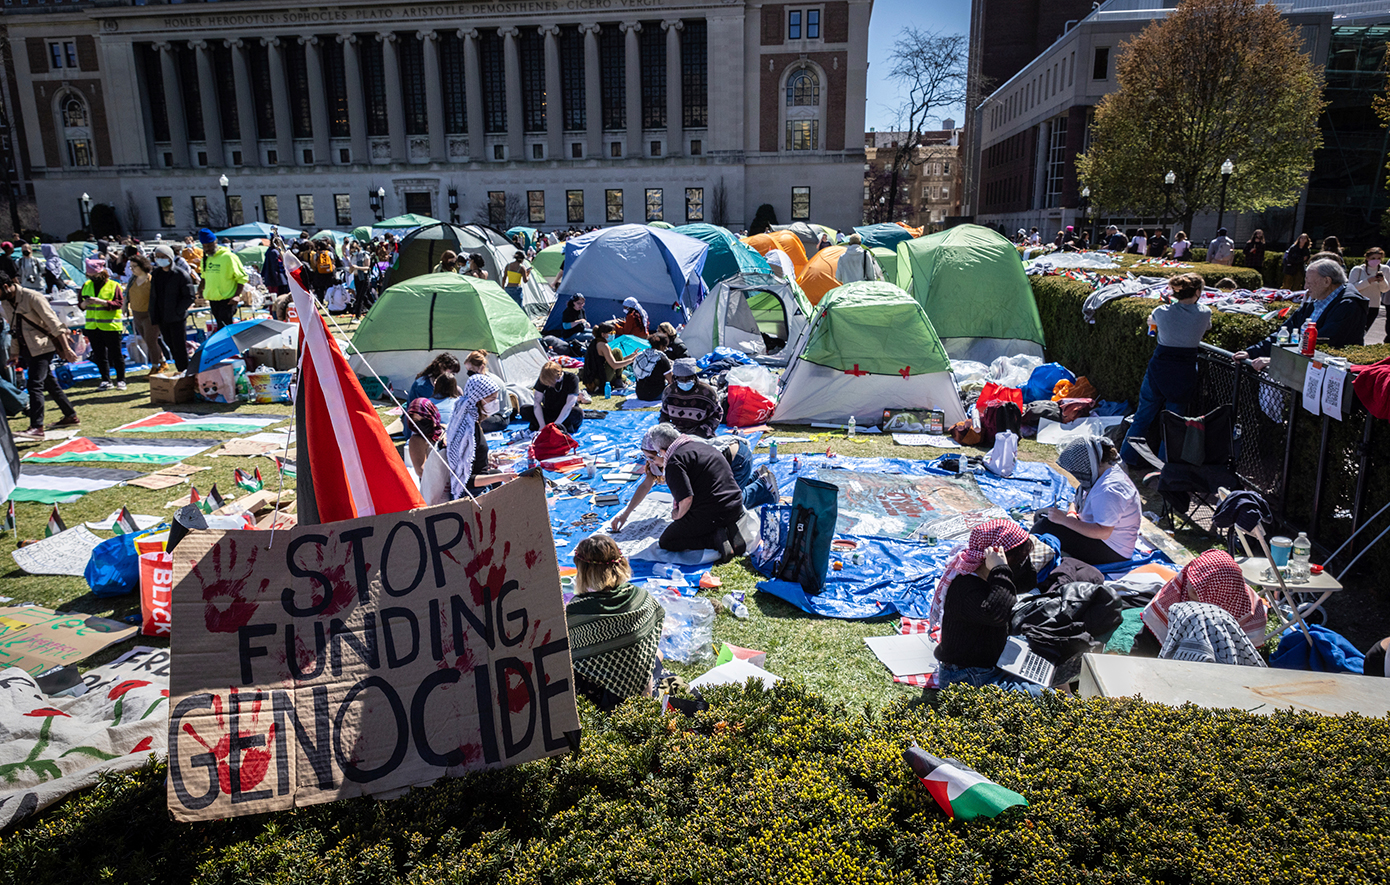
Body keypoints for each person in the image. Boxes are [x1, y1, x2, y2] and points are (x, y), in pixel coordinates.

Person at [931, 519, 1042, 696]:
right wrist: (1000, 569)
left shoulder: (988, 576)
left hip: (988, 666)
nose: (1021, 565)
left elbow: (1027, 583)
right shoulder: (965, 588)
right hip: (965, 677)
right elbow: (998, 614)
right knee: (1047, 697)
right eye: (1018, 560)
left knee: (1052, 669)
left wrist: (1009, 564)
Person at [610, 423, 747, 556]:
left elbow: (686, 499)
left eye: (652, 458)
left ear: (662, 451)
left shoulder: (674, 462)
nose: (652, 462)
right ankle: (726, 528)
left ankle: (716, 539)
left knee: (668, 540)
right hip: (736, 506)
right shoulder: (699, 446)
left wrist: (678, 515)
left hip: (715, 512)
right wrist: (625, 514)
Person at [565, 534, 665, 710]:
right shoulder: (641, 597)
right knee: (657, 653)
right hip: (644, 685)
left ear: (584, 571)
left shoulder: (578, 610)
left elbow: (572, 655)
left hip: (610, 701)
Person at [1120, 273, 1211, 467]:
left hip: (1159, 368)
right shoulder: (1205, 313)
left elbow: (1153, 321)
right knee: (1173, 424)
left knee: (1142, 416)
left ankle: (1125, 459)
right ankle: (1163, 467)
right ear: (1197, 292)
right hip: (1184, 371)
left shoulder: (1161, 311)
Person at [1234, 258, 1368, 368]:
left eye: (1309, 282)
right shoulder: (1316, 300)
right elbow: (1283, 333)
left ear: (1327, 281)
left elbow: (1323, 343)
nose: (1305, 287)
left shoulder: (1348, 305)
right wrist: (1250, 352)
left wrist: (1276, 360)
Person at [1131, 550, 1267, 657]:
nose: (1188, 586)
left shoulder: (1250, 611)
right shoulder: (1179, 588)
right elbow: (1146, 643)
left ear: (1218, 598)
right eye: (1191, 579)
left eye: (1198, 592)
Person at [1034, 437, 1141, 565]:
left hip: (1112, 550)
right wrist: (1071, 515)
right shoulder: (1100, 474)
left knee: (1044, 526)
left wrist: (1065, 521)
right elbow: (1076, 502)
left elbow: (1103, 532)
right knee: (1043, 514)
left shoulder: (1109, 490)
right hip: (1095, 531)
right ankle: (1062, 551)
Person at [1, 270, 79, 440]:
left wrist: (66, 349)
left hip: (44, 346)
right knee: (50, 383)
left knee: (35, 384)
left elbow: (54, 324)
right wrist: (14, 353)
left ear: (6, 286)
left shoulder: (33, 297)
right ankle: (70, 415)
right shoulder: (6, 302)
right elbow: (13, 330)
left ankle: (36, 427)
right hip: (27, 348)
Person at [444, 373, 511, 499]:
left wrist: (488, 457)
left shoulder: (470, 421)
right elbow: (465, 481)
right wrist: (502, 477)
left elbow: (473, 458)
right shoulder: (467, 431)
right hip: (473, 495)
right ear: (479, 399)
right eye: (491, 400)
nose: (495, 403)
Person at [79, 257, 126, 391]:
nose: (92, 277)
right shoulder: (86, 285)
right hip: (93, 326)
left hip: (110, 326)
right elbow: (80, 304)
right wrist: (84, 304)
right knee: (99, 355)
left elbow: (118, 304)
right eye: (89, 275)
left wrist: (101, 302)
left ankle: (121, 380)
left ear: (101, 272)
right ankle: (106, 380)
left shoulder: (114, 285)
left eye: (94, 275)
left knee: (116, 354)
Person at [149, 244, 195, 373]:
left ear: (170, 257)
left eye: (163, 257)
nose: (160, 259)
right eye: (157, 257)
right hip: (162, 316)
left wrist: (178, 311)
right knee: (170, 345)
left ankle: (185, 371)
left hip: (176, 318)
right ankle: (181, 369)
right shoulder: (156, 274)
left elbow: (189, 296)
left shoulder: (180, 274)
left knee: (179, 346)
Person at [197, 227, 248, 330]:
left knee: (225, 328)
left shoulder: (228, 257)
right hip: (213, 299)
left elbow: (242, 277)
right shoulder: (205, 259)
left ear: (215, 242)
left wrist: (237, 295)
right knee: (220, 328)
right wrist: (200, 288)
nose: (207, 249)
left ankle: (230, 346)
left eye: (210, 246)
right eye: (205, 246)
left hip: (228, 299)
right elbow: (204, 276)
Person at [660, 358, 722, 438]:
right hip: (676, 435)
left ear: (694, 376)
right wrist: (667, 431)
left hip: (701, 435)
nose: (685, 382)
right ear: (675, 378)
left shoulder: (707, 392)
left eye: (689, 378)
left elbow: (717, 414)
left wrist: (703, 430)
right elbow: (664, 414)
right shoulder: (669, 392)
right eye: (681, 379)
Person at [125, 255, 165, 374]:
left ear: (142, 266)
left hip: (150, 315)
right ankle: (162, 361)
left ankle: (155, 367)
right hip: (137, 315)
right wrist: (124, 306)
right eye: (130, 267)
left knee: (151, 341)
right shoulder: (132, 279)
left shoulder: (152, 280)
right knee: (148, 341)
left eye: (134, 267)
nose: (132, 269)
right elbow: (127, 294)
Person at [580, 322, 638, 395]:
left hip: (593, 378)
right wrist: (631, 360)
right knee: (617, 351)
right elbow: (614, 364)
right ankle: (619, 382)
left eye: (614, 332)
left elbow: (614, 359)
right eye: (611, 332)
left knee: (624, 376)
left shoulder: (596, 342)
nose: (613, 334)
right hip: (600, 379)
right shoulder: (604, 346)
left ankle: (619, 380)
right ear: (603, 334)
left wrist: (631, 356)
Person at [526, 360, 583, 433]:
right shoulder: (544, 378)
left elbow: (570, 404)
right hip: (549, 411)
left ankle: (560, 425)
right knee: (525, 410)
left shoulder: (572, 378)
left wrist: (555, 425)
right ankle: (548, 424)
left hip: (565, 411)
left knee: (577, 412)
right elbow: (537, 402)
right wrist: (542, 425)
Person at [1350, 247, 1388, 342]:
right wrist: (1368, 281)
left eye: (1379, 258)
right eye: (1373, 258)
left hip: (1373, 305)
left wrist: (1382, 281)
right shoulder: (1358, 270)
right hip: (1358, 304)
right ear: (1367, 258)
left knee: (1364, 330)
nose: (1376, 261)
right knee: (1354, 330)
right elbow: (1351, 287)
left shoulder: (1385, 269)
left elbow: (1385, 289)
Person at [632, 332, 672, 402]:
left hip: (640, 393)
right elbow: (671, 381)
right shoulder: (661, 359)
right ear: (662, 346)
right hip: (655, 394)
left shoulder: (641, 355)